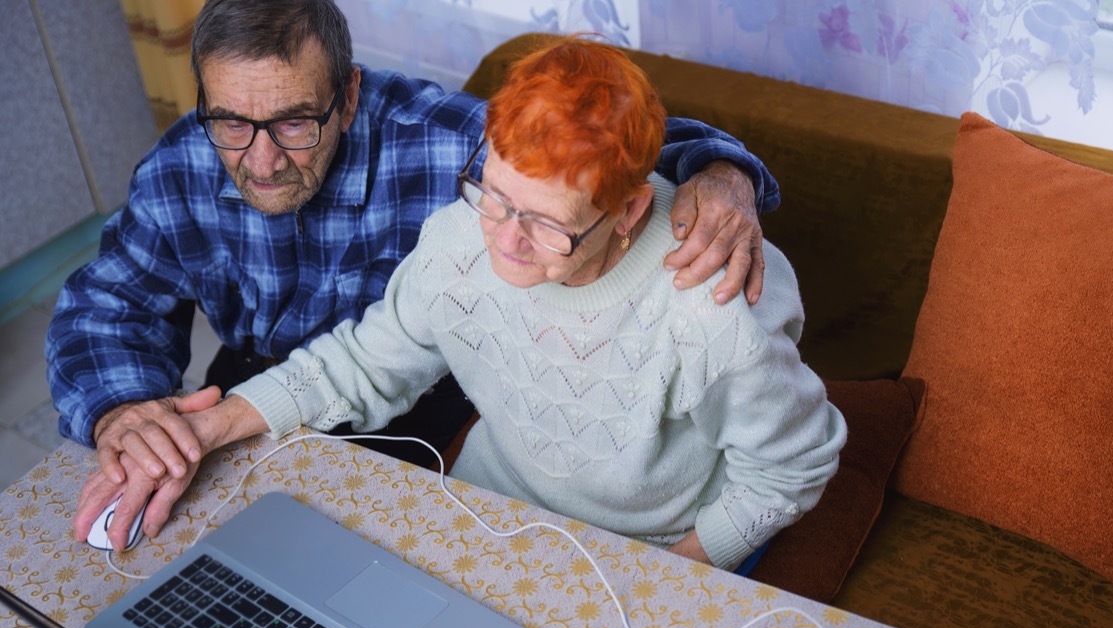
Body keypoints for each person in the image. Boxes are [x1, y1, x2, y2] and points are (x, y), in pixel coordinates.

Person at [79, 36, 846, 573]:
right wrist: (204, 427)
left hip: (653, 545)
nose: (505, 244)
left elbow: (789, 470)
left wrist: (664, 580)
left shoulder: (715, 312)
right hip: (491, 508)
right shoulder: (460, 237)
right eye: (496, 198)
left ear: (630, 213)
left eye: (547, 224)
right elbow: (364, 361)